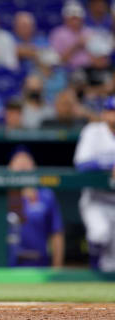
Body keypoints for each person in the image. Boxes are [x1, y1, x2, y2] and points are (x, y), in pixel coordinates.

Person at [74, 96, 115, 272]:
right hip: (96, 199)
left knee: (111, 264)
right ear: (104, 113)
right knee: (99, 234)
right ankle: (93, 276)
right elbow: (81, 164)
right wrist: (109, 165)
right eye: (111, 111)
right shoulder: (93, 131)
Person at [7, 146, 64, 267]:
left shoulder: (46, 195)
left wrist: (57, 267)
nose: (22, 166)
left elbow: (56, 233)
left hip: (38, 263)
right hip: (7, 265)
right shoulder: (1, 196)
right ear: (10, 168)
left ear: (34, 167)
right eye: (18, 162)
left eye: (26, 162)